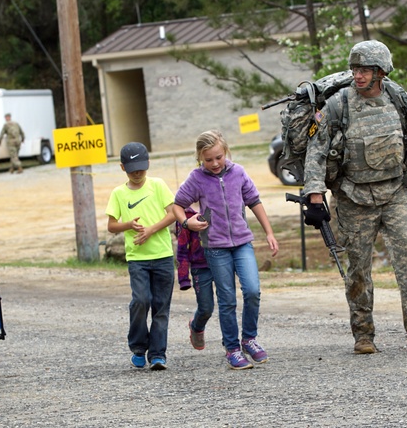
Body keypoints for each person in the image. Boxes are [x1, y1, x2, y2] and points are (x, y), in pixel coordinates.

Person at [301, 40, 407, 355]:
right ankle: (364, 335)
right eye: (355, 68)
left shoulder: (401, 101)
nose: (358, 75)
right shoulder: (337, 106)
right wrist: (314, 198)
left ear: (381, 72)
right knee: (359, 268)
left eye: (365, 69)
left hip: (395, 192)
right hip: (353, 197)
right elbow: (315, 153)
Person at [172, 130, 279, 370]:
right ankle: (232, 348)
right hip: (215, 247)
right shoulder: (197, 178)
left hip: (242, 243)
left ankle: (249, 339)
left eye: (218, 157)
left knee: (252, 290)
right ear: (200, 158)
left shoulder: (238, 172)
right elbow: (178, 205)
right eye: (208, 160)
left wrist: (269, 233)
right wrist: (187, 222)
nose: (214, 163)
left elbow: (254, 201)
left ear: (226, 151)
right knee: (227, 299)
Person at [105, 142, 176, 371]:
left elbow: (173, 213)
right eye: (133, 169)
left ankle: (157, 354)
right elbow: (111, 226)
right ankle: (138, 346)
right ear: (122, 167)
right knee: (141, 300)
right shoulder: (118, 193)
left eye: (141, 168)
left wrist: (150, 230)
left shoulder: (158, 185)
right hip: (137, 259)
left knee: (160, 306)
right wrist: (128, 225)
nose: (138, 173)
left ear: (148, 165)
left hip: (163, 255)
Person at [175, 206, 209, 351]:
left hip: (222, 261)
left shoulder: (216, 203)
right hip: (199, 266)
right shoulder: (185, 214)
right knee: (206, 307)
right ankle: (196, 326)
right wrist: (183, 277)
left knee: (228, 303)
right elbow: (182, 247)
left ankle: (230, 345)